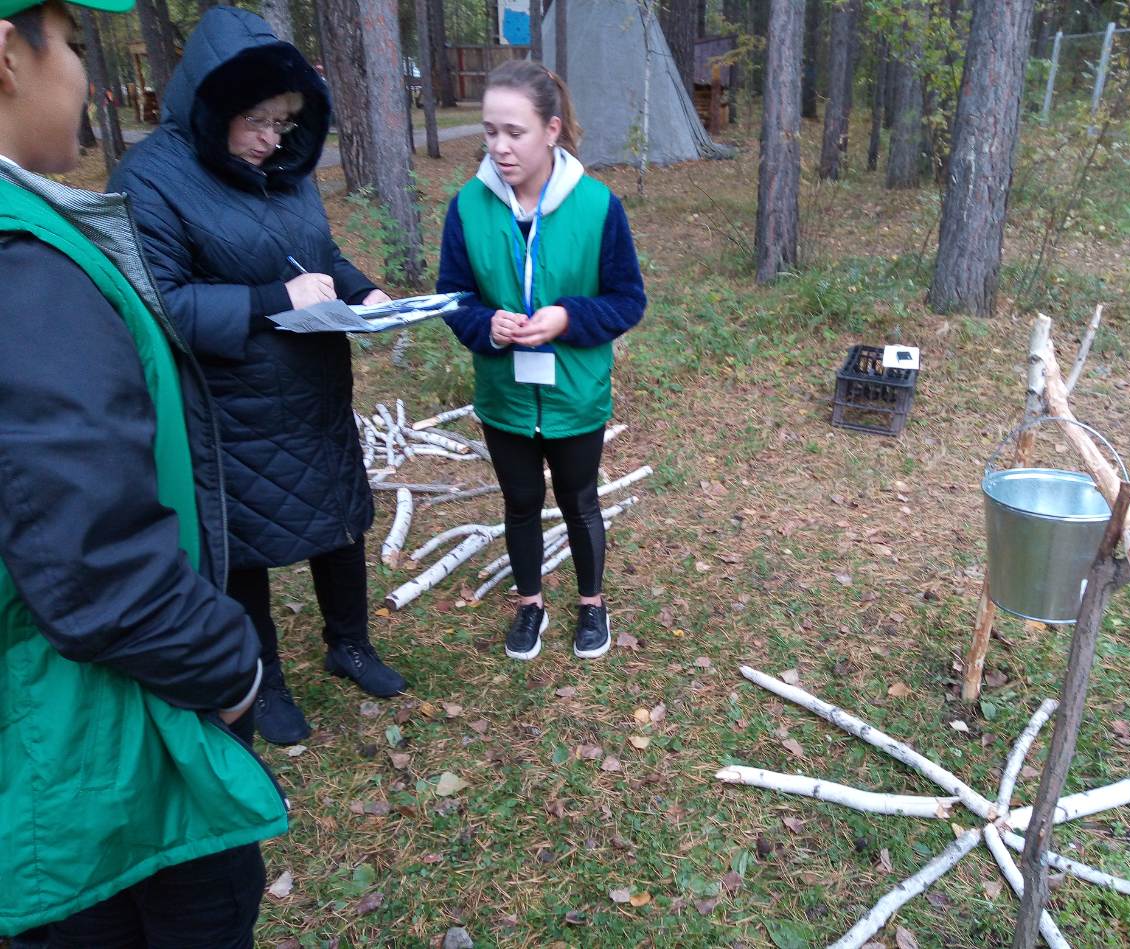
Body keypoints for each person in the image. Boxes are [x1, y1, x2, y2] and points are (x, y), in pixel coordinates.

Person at [0, 1, 287, 944]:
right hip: (100, 772)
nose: (84, 74)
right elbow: (93, 559)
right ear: (8, 56)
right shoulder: (20, 266)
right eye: (74, 44)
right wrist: (232, 667)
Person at [109, 7, 405, 746]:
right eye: (259, 121)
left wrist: (364, 292)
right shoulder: (152, 178)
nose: (274, 138)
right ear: (216, 106)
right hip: (230, 407)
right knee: (243, 544)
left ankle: (350, 645)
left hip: (314, 389)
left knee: (339, 520)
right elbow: (157, 303)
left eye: (285, 121)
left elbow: (318, 256)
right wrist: (274, 299)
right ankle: (262, 679)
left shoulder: (281, 167)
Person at [438, 60, 646, 662]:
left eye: (515, 132)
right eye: (489, 131)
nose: (499, 147)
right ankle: (530, 604)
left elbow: (627, 300)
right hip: (504, 395)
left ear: (551, 130)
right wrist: (485, 324)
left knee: (580, 501)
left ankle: (592, 603)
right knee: (520, 503)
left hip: (575, 392)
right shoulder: (468, 207)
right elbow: (454, 298)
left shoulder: (598, 206)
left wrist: (567, 318)